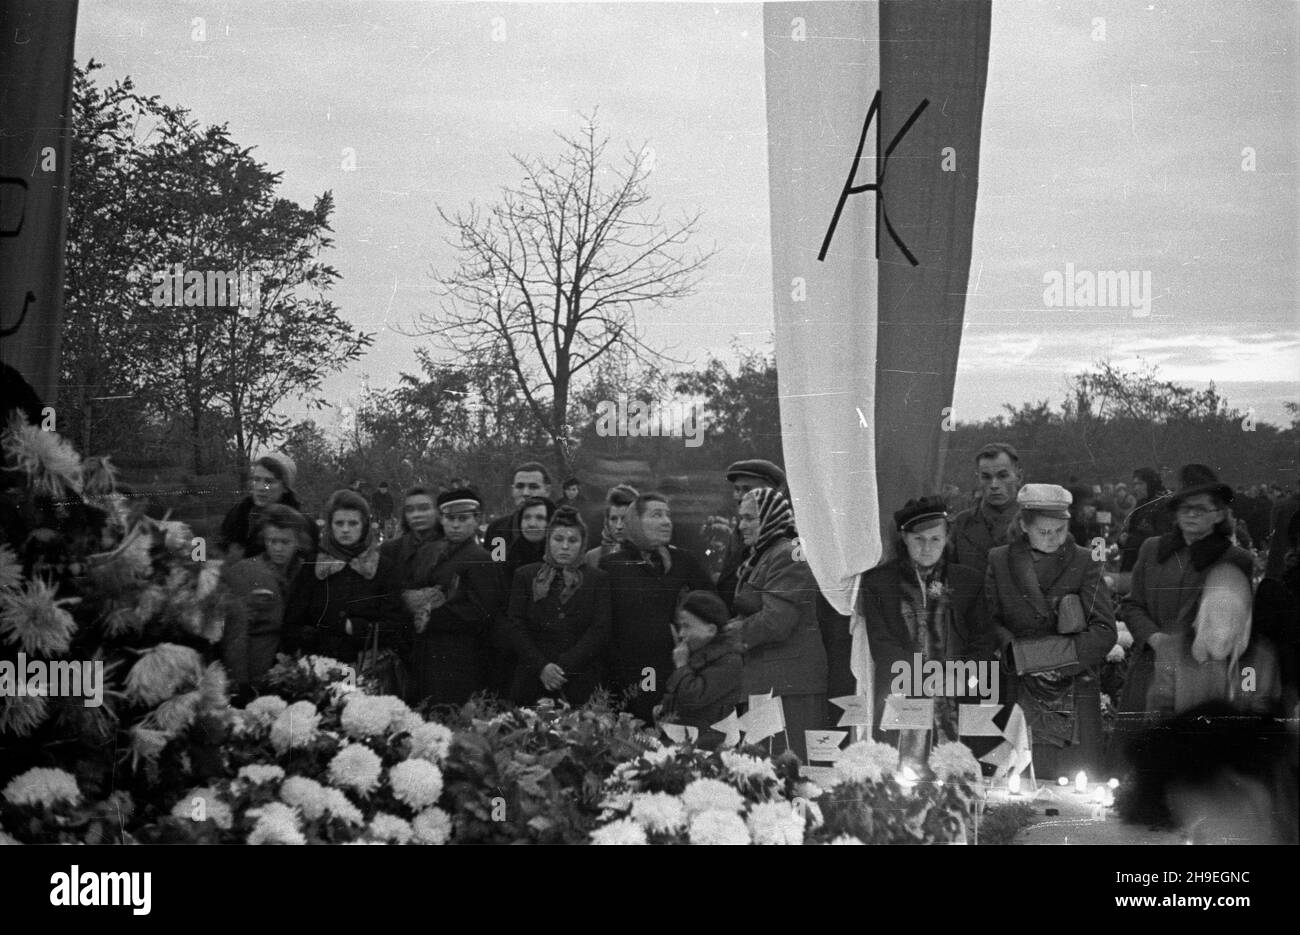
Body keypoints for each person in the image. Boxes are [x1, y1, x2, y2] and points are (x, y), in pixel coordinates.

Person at [1120, 465, 1277, 717]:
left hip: (1198, 676)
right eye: (1185, 508)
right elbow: (1131, 605)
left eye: (1200, 508)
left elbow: (1239, 624)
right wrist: (1155, 638)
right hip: (1148, 667)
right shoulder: (1153, 549)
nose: (1191, 514)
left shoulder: (1235, 559)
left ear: (1218, 514)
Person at [984, 484, 1116, 778]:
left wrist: (1044, 659)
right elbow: (990, 621)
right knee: (1020, 782)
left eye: (1060, 530)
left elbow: (1105, 631)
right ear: (1023, 525)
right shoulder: (999, 559)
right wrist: (1016, 656)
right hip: (1019, 686)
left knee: (1074, 787)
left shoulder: (1086, 561)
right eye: (1044, 532)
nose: (1054, 538)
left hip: (1073, 687)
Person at [858, 496, 993, 753]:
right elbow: (882, 643)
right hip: (901, 692)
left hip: (957, 694)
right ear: (904, 538)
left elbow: (983, 640)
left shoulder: (967, 582)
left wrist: (960, 674)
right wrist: (923, 678)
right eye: (918, 539)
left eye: (935, 539)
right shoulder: (880, 583)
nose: (927, 548)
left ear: (947, 538)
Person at [726, 487, 828, 762]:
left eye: (749, 518)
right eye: (740, 518)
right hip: (772, 684)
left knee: (786, 772)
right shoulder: (765, 555)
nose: (741, 525)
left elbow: (776, 621)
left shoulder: (789, 552)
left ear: (771, 517)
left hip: (788, 688)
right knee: (766, 771)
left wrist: (726, 638)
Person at [601, 492, 715, 725]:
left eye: (668, 515)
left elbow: (713, 604)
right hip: (626, 672)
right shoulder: (613, 565)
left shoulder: (683, 561)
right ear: (636, 521)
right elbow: (603, 622)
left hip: (674, 668)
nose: (666, 521)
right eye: (656, 515)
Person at [281, 489, 409, 666]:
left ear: (364, 525)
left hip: (366, 668)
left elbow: (395, 623)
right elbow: (292, 621)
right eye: (339, 523)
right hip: (317, 667)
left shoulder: (383, 568)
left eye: (353, 523)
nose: (345, 530)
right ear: (330, 525)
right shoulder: (312, 565)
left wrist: (354, 628)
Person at [406, 488, 506, 707]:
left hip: (461, 656)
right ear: (441, 520)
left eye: (463, 518)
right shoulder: (431, 552)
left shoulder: (481, 559)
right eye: (450, 519)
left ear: (476, 520)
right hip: (429, 653)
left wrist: (431, 615)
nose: (456, 525)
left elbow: (482, 611)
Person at [507, 507, 610, 706]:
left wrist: (562, 668)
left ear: (582, 544)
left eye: (572, 541)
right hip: (533, 677)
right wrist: (542, 667)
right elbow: (516, 625)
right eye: (558, 539)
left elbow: (600, 629)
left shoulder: (597, 579)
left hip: (580, 678)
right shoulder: (525, 576)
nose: (564, 546)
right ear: (548, 541)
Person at [220, 504, 312, 703]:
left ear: (298, 542)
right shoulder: (244, 572)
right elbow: (236, 633)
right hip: (257, 670)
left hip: (297, 675)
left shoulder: (306, 572)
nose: (278, 548)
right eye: (272, 541)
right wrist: (240, 683)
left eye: (285, 542)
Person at [657, 590, 744, 748]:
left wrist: (681, 666)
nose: (681, 634)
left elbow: (694, 697)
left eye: (687, 626)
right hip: (685, 739)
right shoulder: (696, 652)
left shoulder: (729, 661)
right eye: (680, 626)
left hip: (708, 747)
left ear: (711, 630)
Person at [715, 459, 787, 611]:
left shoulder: (786, 535)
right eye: (737, 489)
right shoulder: (739, 531)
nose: (739, 496)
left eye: (747, 489)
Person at [948, 442, 1023, 580]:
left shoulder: (1034, 523)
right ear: (978, 479)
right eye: (986, 477)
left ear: (1018, 477)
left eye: (1002, 476)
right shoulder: (960, 524)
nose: (994, 485)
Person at [218, 453, 305, 561]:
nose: (260, 487)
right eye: (256, 480)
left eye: (269, 482)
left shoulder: (296, 524)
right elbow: (220, 549)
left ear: (285, 488)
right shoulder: (238, 514)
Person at [482, 461, 551, 556]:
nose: (525, 493)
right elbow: (495, 567)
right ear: (512, 491)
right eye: (520, 486)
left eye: (533, 487)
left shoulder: (562, 527)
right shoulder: (498, 530)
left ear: (547, 491)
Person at [1117, 467, 1172, 573]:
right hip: (1133, 562)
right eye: (1134, 484)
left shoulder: (1163, 504)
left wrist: (1129, 540)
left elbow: (1162, 538)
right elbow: (1130, 529)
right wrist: (1122, 538)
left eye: (1140, 483)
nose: (1136, 488)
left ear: (1151, 483)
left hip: (1150, 566)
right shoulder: (1142, 503)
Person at [584, 484, 639, 570]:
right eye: (613, 519)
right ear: (607, 521)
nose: (619, 526)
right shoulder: (592, 557)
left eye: (624, 519)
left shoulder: (649, 555)